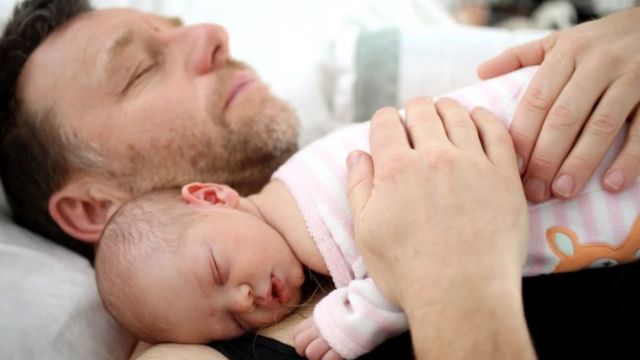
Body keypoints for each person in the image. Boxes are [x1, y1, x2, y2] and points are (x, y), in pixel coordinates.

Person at [0, 0, 637, 358]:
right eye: (141, 70)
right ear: (92, 208)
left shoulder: (342, 167)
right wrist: (455, 282)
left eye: (174, 27)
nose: (212, 35)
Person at [96, 68, 637, 360]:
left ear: (212, 197)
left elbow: (404, 266)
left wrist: (346, 322)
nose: (245, 300)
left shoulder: (309, 211)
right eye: (231, 319)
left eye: (219, 272)